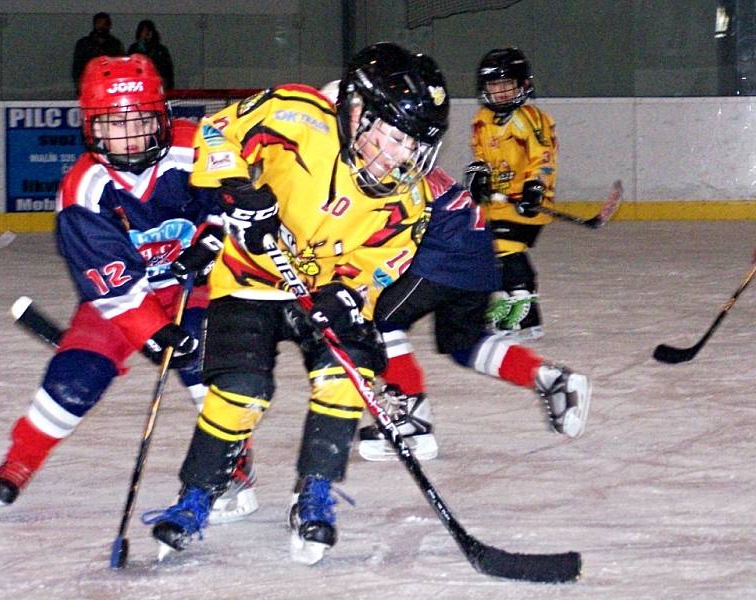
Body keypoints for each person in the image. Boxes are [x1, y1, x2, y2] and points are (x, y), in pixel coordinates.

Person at [141, 42, 449, 566]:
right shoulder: (298, 115)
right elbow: (219, 131)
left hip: (320, 294)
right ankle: (197, 494)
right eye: (393, 137)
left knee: (343, 378)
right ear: (358, 112)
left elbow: (382, 265)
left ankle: (316, 491)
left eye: (412, 146)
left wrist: (349, 296)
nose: (400, 157)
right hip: (247, 278)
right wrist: (235, 186)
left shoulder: (409, 202)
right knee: (239, 392)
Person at [0, 55, 256, 523]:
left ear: (161, 117)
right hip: (125, 299)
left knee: (204, 366)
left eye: (140, 121)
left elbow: (242, 200)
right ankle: (20, 461)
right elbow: (117, 292)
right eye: (113, 123)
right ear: (91, 127)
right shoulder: (83, 192)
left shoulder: (197, 149)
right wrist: (152, 332)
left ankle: (232, 463)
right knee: (74, 378)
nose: (128, 136)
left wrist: (212, 238)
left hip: (196, 286)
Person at [357, 166, 590, 461]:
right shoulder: (395, 145)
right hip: (477, 245)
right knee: (464, 343)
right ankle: (551, 378)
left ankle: (412, 418)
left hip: (441, 246)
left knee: (373, 318)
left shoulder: (363, 154)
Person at [467, 47, 557, 340]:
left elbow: (543, 157)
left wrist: (535, 187)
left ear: (523, 86)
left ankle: (527, 311)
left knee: (506, 244)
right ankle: (510, 298)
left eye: (508, 85)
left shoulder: (531, 118)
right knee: (489, 248)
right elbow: (480, 155)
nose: (501, 92)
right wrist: (478, 175)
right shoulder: (482, 120)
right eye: (495, 85)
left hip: (526, 203)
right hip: (498, 203)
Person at [71, 12, 125, 94]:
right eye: (99, 23)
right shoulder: (83, 43)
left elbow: (121, 66)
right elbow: (77, 67)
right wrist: (79, 86)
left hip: (110, 87)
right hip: (89, 85)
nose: (101, 27)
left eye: (105, 24)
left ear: (109, 26)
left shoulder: (115, 44)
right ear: (94, 25)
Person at [128, 19, 175, 90]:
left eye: (148, 31)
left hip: (156, 83)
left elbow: (167, 70)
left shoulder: (160, 50)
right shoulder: (134, 49)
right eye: (144, 31)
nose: (146, 34)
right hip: (139, 84)